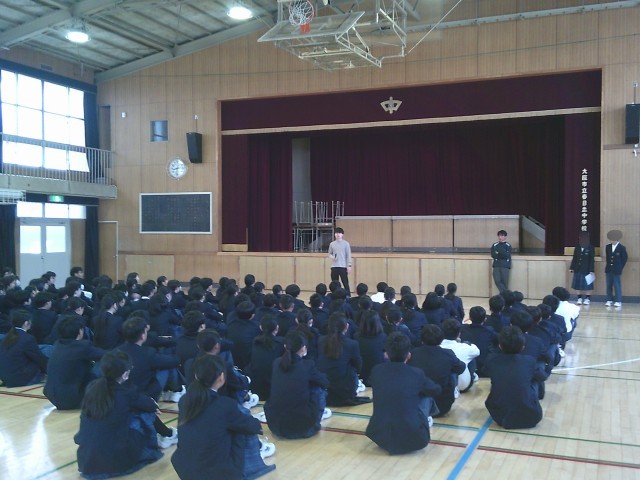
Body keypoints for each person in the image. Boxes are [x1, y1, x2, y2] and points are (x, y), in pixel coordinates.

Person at [171, 355, 275, 480]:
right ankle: (253, 464)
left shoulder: (184, 401)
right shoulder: (225, 405)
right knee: (241, 428)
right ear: (221, 377)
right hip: (219, 475)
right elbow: (253, 426)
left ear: (196, 376)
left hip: (185, 471)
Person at [74, 351, 164, 479]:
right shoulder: (125, 393)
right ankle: (164, 437)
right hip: (115, 465)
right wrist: (151, 407)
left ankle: (164, 436)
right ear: (125, 374)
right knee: (143, 414)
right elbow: (150, 405)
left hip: (86, 464)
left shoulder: (92, 387)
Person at [366, 332, 441, 455]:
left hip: (378, 436)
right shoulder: (416, 373)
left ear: (386, 354)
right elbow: (436, 390)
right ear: (409, 355)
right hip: (416, 438)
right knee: (426, 396)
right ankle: (424, 421)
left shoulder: (376, 370)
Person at [264, 330, 330, 439]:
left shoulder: (276, 362)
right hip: (303, 429)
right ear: (303, 348)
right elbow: (325, 383)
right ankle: (316, 418)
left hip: (275, 427)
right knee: (318, 389)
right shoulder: (308, 365)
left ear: (285, 346)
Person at [484, 326, 545, 429]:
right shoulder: (529, 361)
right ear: (523, 347)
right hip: (532, 416)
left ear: (500, 346)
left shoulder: (491, 359)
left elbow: (486, 371)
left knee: (500, 379)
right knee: (534, 379)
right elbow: (543, 377)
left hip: (499, 416)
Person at [44, 315, 105, 410]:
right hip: (71, 399)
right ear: (80, 331)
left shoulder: (58, 344)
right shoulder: (82, 346)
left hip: (52, 396)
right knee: (102, 365)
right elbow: (107, 355)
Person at [0, 309, 49, 387]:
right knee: (46, 351)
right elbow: (39, 359)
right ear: (26, 323)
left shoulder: (6, 337)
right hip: (20, 379)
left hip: (5, 377)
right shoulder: (28, 338)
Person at [570, 231, 595, 305]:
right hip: (578, 269)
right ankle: (579, 298)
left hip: (587, 269)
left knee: (588, 285)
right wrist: (571, 267)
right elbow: (574, 258)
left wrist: (591, 270)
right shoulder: (577, 247)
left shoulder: (590, 247)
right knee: (577, 285)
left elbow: (592, 260)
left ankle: (587, 298)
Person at [604, 229, 628, 308]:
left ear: (616, 239)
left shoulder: (622, 248)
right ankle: (609, 300)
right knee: (608, 285)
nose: (610, 240)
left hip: (617, 270)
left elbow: (624, 259)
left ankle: (618, 301)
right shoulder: (607, 247)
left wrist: (619, 267)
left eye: (612, 239)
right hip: (608, 269)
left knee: (617, 285)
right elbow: (608, 258)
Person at [327, 227, 352, 297]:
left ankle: (348, 297)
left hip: (343, 266)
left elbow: (348, 255)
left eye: (339, 233)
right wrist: (332, 257)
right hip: (334, 266)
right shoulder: (332, 244)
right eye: (336, 233)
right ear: (334, 234)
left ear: (342, 234)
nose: (338, 234)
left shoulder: (346, 244)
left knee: (345, 283)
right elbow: (329, 254)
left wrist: (349, 265)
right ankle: (335, 297)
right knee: (334, 284)